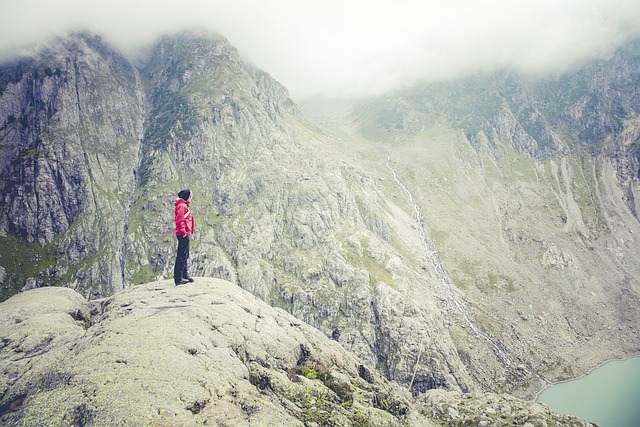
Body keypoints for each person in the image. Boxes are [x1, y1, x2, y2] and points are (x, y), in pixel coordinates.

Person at [174, 189, 195, 285]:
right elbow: (180, 220)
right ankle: (178, 278)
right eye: (190, 196)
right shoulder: (182, 206)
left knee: (185, 254)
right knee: (182, 255)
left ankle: (184, 275)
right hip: (183, 234)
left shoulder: (183, 205)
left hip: (185, 233)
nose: (191, 198)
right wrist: (183, 232)